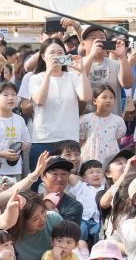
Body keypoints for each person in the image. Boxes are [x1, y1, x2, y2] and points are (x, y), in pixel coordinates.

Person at [28, 38, 94, 168]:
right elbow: (40, 100)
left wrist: (82, 72)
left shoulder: (72, 76)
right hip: (43, 139)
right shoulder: (36, 78)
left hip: (68, 139)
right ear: (42, 56)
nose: (56, 56)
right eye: (52, 53)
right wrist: (48, 73)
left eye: (60, 53)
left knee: (67, 181)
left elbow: (86, 97)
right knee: (41, 181)